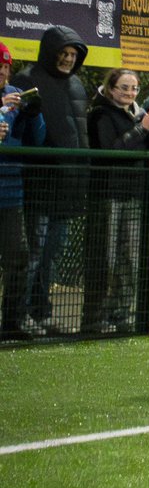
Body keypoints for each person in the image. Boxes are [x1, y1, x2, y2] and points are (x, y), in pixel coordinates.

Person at [11, 26, 90, 336]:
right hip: (37, 184)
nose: (68, 59)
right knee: (32, 253)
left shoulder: (78, 86)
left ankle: (41, 313)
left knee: (51, 257)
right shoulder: (27, 80)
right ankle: (17, 316)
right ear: (50, 52)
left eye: (73, 55)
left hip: (69, 188)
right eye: (64, 53)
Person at [86, 68, 149, 332]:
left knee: (130, 256)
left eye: (134, 88)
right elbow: (111, 150)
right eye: (124, 88)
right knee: (106, 257)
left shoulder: (136, 114)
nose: (129, 93)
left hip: (134, 194)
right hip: (108, 195)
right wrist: (141, 129)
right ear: (110, 89)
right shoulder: (100, 114)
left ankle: (122, 311)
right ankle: (96, 315)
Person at [0, 41, 37, 339]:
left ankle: (11, 323)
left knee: (18, 256)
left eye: (4, 66)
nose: (2, 72)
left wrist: (33, 113)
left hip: (11, 191)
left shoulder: (14, 98)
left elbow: (35, 140)